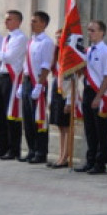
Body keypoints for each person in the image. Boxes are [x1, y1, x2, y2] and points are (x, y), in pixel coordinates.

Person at [75, 20, 107, 175]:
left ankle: (100, 163)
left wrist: (98, 97)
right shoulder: (88, 50)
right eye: (89, 30)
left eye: (93, 30)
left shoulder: (106, 52)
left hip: (100, 92)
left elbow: (106, 77)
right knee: (89, 129)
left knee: (100, 130)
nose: (90, 33)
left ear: (101, 32)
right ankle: (90, 160)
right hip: (87, 90)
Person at [20, 11, 55, 165]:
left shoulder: (46, 42)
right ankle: (31, 149)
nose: (31, 23)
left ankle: (41, 152)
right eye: (32, 20)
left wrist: (39, 85)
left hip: (38, 83)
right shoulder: (31, 41)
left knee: (39, 119)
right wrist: (21, 85)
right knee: (27, 118)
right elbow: (25, 64)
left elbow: (46, 65)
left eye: (35, 21)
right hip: (28, 81)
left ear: (43, 24)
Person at [0, 10, 27, 160]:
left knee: (11, 115)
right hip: (2, 76)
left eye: (9, 19)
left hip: (12, 78)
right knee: (0, 113)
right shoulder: (7, 38)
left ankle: (14, 149)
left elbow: (8, 57)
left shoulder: (20, 38)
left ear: (18, 21)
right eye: (6, 19)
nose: (6, 22)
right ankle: (3, 147)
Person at [46, 29, 74, 169]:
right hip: (56, 89)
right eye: (57, 38)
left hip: (66, 91)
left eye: (60, 37)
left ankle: (65, 156)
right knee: (60, 126)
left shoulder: (69, 55)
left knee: (66, 126)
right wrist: (50, 99)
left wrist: (69, 100)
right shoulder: (57, 53)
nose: (58, 40)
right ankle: (61, 155)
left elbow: (71, 80)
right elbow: (54, 76)